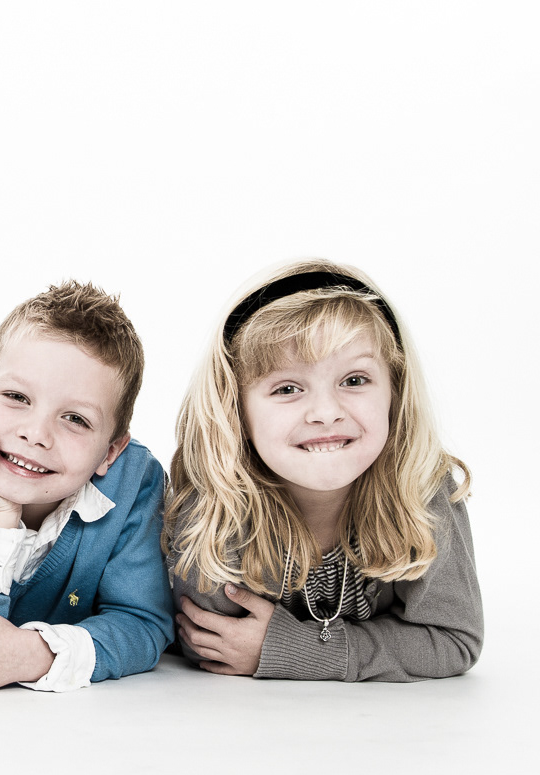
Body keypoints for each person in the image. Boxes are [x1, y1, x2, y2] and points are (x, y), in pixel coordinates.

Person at [165, 259, 482, 681]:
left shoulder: (420, 484)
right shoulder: (218, 500)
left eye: (354, 380)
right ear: (235, 410)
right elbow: (211, 642)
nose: (326, 413)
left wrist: (300, 650)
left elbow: (453, 640)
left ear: (395, 390)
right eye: (287, 388)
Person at [0, 281, 174, 692]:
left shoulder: (133, 481)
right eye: (17, 397)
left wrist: (31, 655)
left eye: (76, 419)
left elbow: (143, 622)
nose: (36, 434)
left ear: (110, 452)